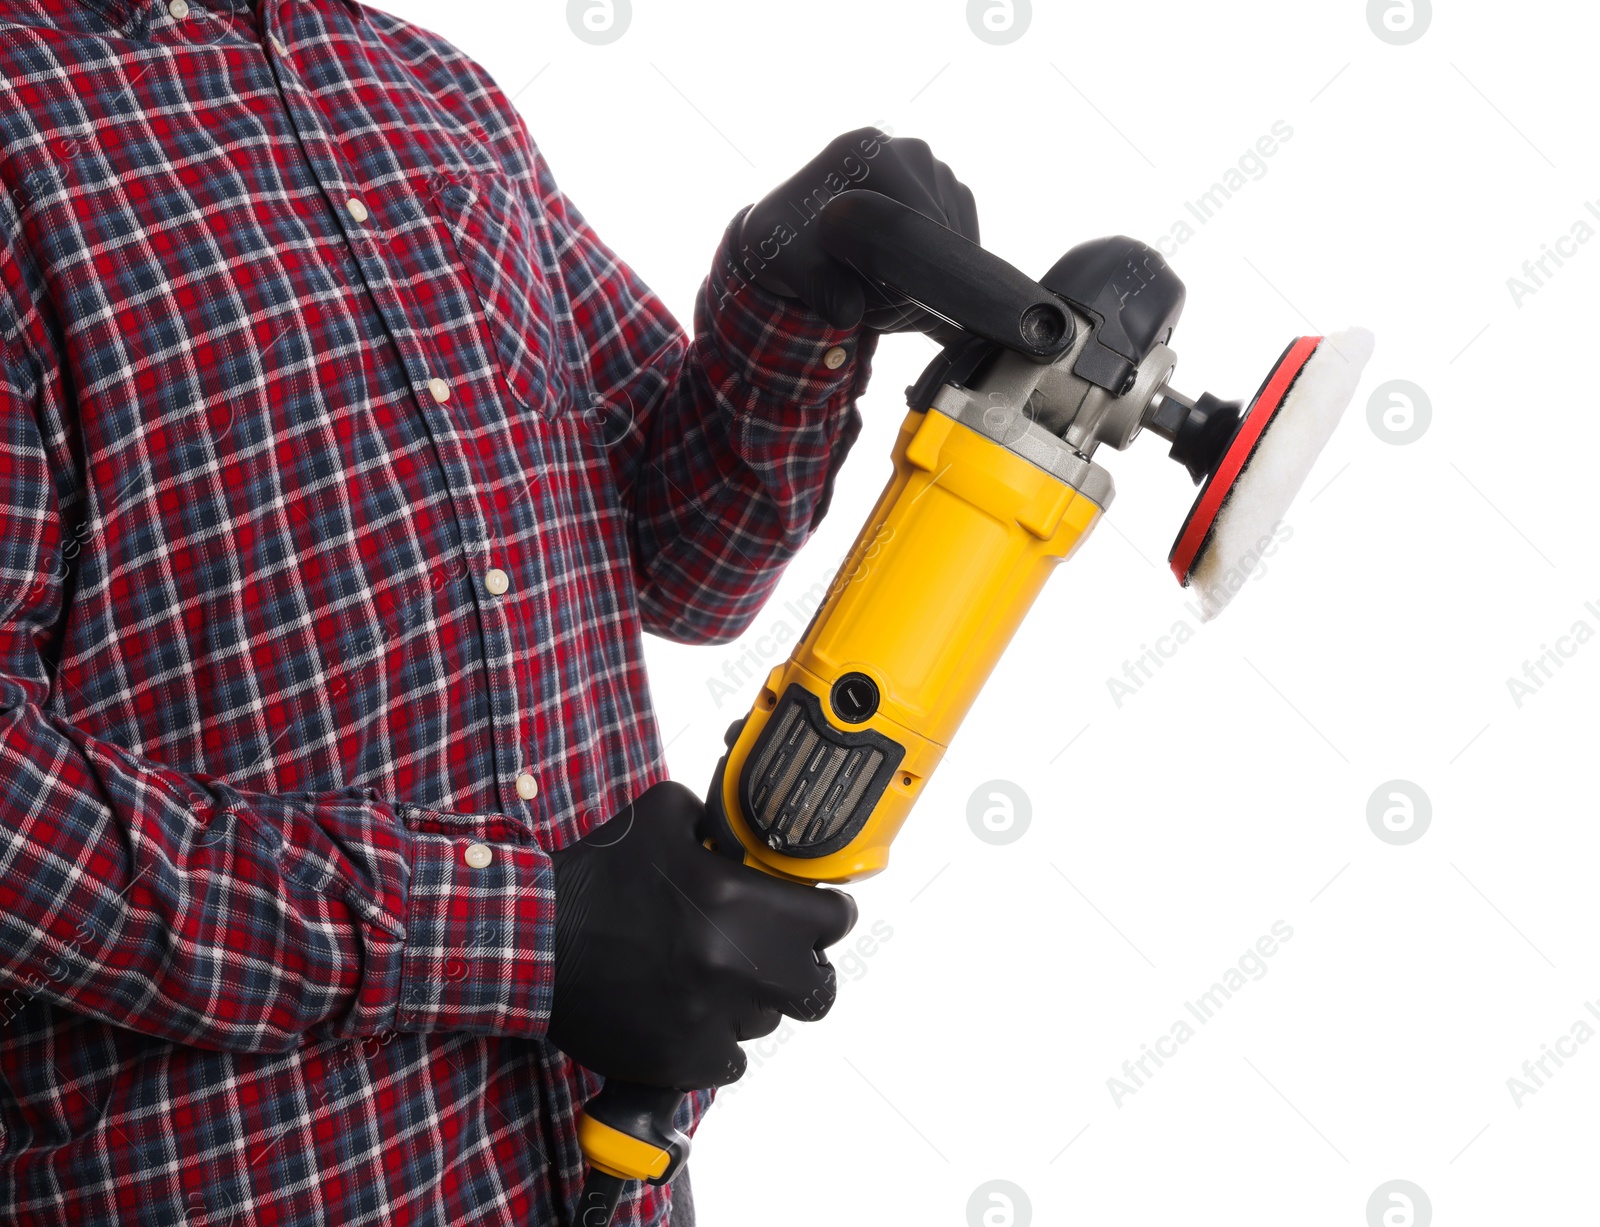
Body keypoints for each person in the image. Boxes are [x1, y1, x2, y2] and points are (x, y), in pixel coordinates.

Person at [0, 0, 978, 1222]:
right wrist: (516, 937)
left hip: (598, 1180)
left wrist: (788, 302)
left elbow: (685, 562)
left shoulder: (426, 88)